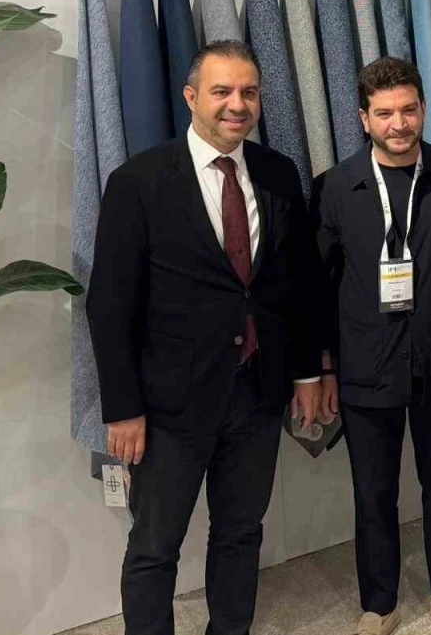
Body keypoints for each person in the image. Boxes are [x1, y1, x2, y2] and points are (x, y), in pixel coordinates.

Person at [88, 40, 320, 635]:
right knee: (154, 546)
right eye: (222, 91)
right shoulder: (138, 181)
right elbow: (109, 305)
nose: (237, 104)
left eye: (249, 92)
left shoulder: (278, 173)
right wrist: (123, 409)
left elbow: (295, 285)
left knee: (241, 533)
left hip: (257, 395)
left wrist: (307, 372)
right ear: (191, 97)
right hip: (169, 406)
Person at [311, 57, 431, 635]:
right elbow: (319, 286)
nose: (398, 123)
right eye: (384, 113)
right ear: (364, 118)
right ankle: (379, 604)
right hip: (367, 366)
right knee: (374, 494)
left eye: (409, 110)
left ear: (424, 110)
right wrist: (324, 365)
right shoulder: (335, 187)